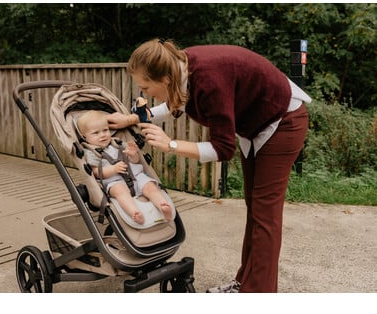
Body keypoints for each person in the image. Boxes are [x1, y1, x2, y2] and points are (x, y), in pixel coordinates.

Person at [108, 39, 311, 292]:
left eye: (146, 86)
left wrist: (171, 144)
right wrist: (130, 119)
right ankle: (244, 283)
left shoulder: (208, 80)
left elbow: (223, 149)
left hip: (282, 122)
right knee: (256, 210)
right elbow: (174, 102)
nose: (145, 93)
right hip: (256, 126)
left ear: (165, 79)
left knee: (265, 217)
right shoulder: (179, 68)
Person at [77, 110, 173, 225]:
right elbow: (96, 172)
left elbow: (135, 161)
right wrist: (113, 169)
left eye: (105, 130)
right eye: (96, 133)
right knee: (120, 192)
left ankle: (162, 205)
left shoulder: (118, 143)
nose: (102, 135)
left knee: (150, 186)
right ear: (84, 136)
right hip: (114, 181)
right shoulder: (91, 152)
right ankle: (135, 212)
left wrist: (133, 155)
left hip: (136, 176)